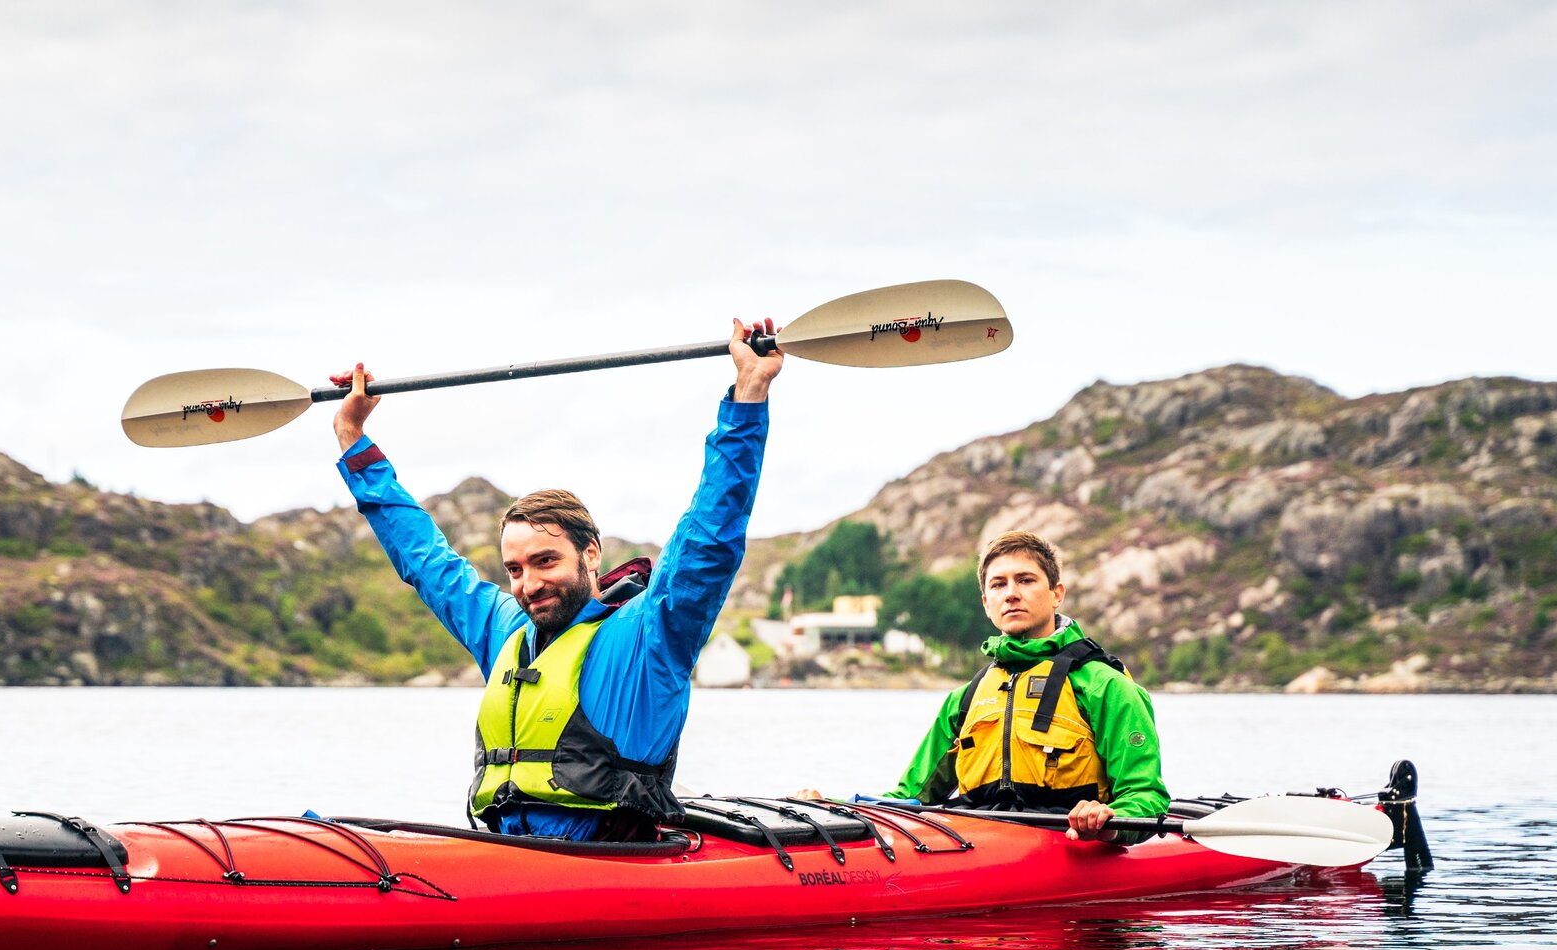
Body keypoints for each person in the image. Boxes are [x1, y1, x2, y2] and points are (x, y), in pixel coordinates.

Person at [333, 318, 784, 841]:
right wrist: (353, 438)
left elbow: (711, 535)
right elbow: (424, 559)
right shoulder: (506, 633)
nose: (528, 584)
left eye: (546, 561)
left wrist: (748, 394)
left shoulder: (652, 636)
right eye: (516, 569)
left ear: (590, 553)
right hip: (506, 853)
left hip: (606, 866)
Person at [800, 530, 1168, 839]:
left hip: (1067, 839)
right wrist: (834, 809)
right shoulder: (967, 698)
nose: (1011, 593)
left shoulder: (1106, 685)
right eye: (998, 584)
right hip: (979, 839)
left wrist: (1106, 820)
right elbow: (909, 797)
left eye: (1025, 580)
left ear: (1057, 593)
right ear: (986, 602)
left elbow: (1145, 797)